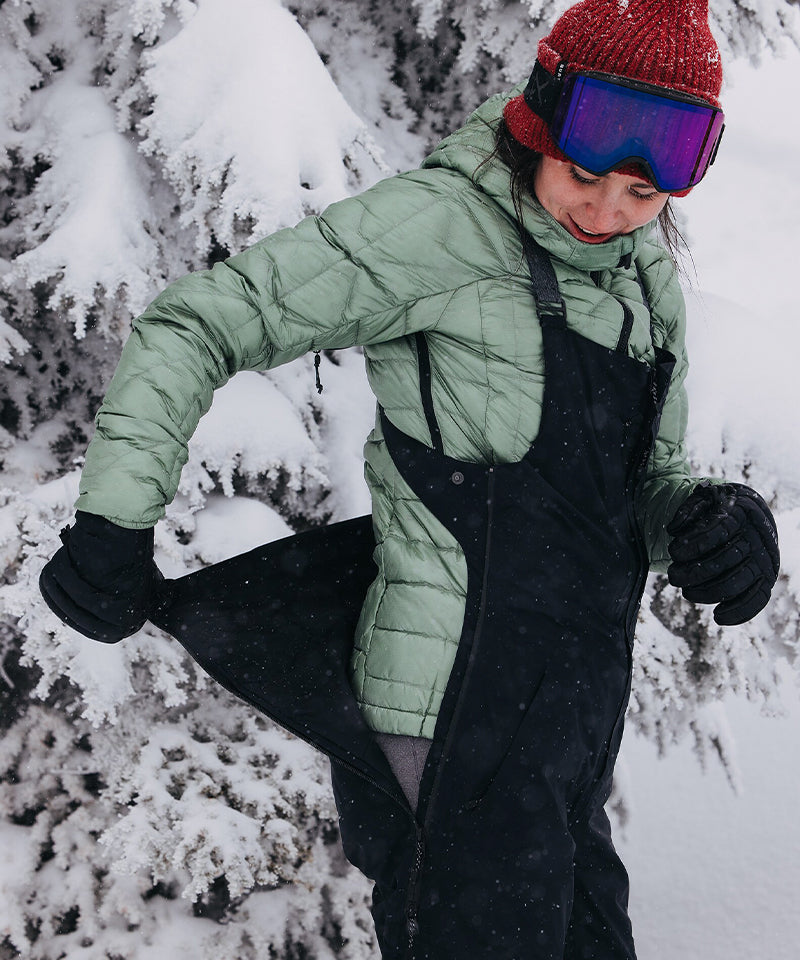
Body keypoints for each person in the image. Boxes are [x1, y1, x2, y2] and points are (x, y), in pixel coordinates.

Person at [39, 0, 780, 957]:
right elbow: (200, 322)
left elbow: (646, 481)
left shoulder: (647, 282)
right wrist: (114, 521)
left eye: (642, 195)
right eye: (584, 176)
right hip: (450, 719)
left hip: (567, 732)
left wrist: (713, 524)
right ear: (538, 126)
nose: (606, 215)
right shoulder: (443, 226)